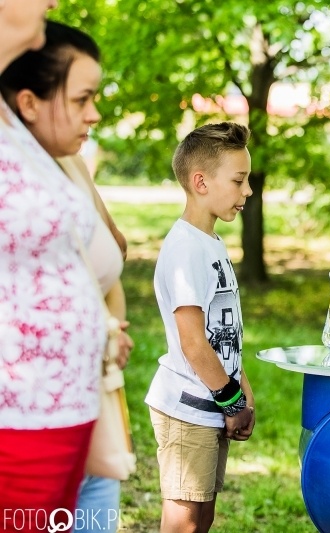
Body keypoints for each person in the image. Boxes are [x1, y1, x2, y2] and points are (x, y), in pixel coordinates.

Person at [0, 20, 134, 532]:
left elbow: (110, 248)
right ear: (30, 102)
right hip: (25, 418)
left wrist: (101, 330)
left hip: (82, 403)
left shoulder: (66, 162)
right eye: (81, 100)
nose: (94, 115)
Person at [145, 121, 256, 533]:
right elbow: (193, 343)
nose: (247, 191)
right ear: (201, 182)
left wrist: (242, 388)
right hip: (187, 408)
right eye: (239, 180)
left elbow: (221, 330)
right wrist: (232, 402)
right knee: (184, 519)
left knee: (202, 513)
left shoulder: (210, 243)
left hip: (215, 402)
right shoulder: (186, 248)